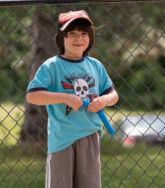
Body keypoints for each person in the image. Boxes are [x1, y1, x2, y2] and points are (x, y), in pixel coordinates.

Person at [26, 10, 119, 188]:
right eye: (72, 34)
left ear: (90, 37)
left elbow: (113, 95)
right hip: (62, 138)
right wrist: (64, 97)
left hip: (89, 136)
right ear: (62, 38)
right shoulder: (52, 66)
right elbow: (32, 96)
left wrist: (104, 100)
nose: (79, 39)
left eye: (84, 34)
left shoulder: (95, 66)